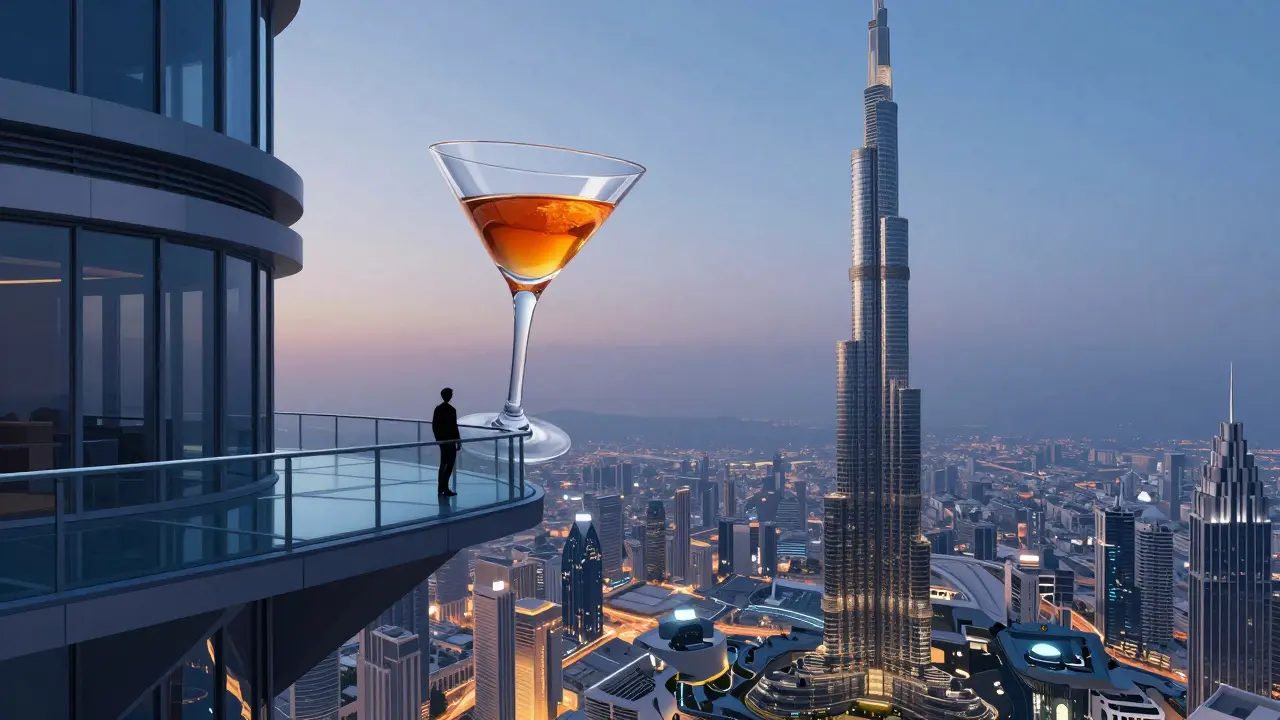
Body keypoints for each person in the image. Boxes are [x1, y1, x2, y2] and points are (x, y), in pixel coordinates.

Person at [432, 388, 460, 496]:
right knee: (447, 464)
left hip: (447, 441)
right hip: (448, 441)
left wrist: (439, 440)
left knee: (445, 464)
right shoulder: (450, 410)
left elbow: (436, 426)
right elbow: (453, 426)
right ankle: (443, 487)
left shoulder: (440, 409)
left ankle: (442, 487)